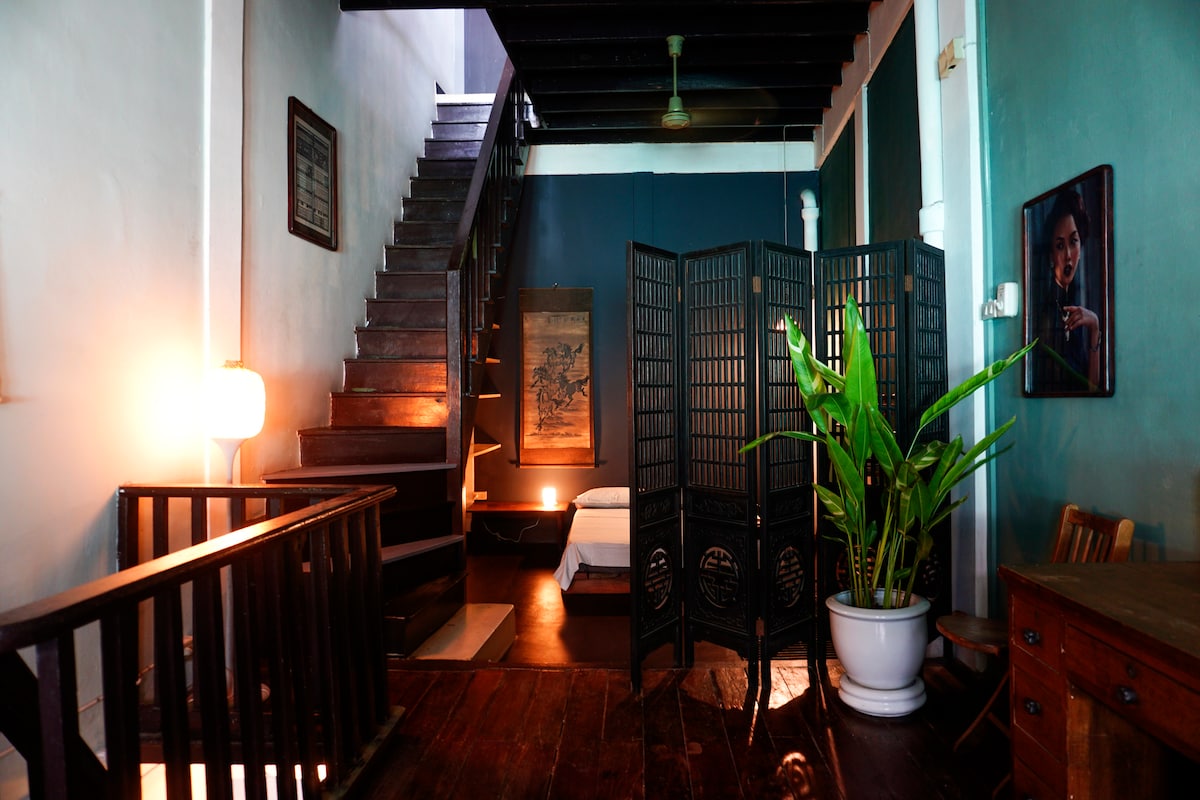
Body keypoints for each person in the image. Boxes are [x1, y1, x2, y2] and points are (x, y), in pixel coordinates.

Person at [1032, 189, 1102, 392]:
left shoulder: (1078, 302)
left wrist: (1095, 326)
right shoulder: (1046, 310)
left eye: (1073, 242)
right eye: (1060, 246)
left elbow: (1092, 387)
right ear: (1052, 254)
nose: (1069, 256)